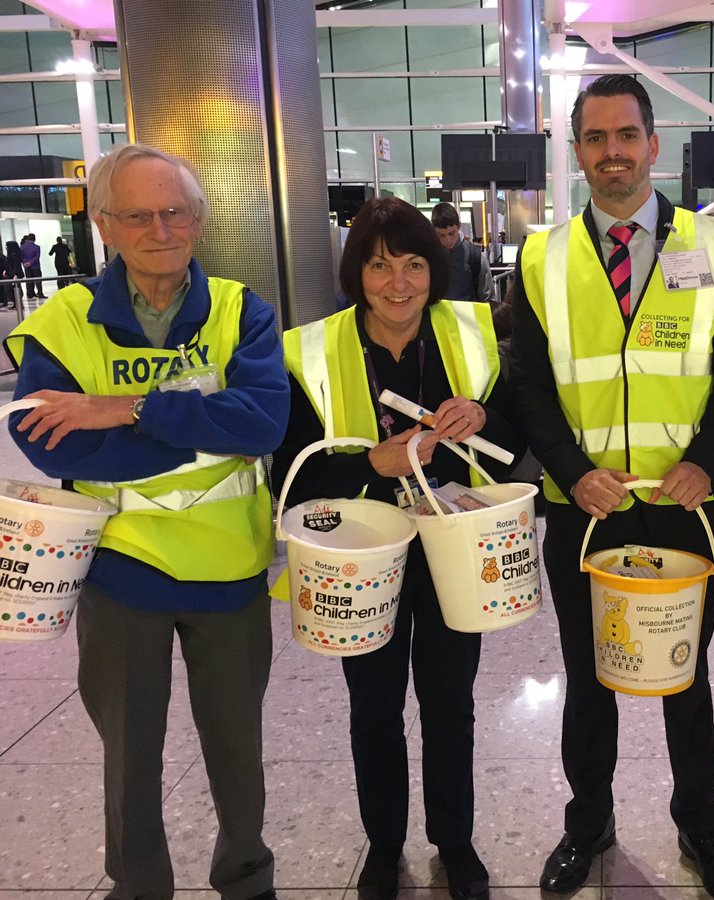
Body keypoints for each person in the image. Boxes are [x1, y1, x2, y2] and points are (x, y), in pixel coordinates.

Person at [3, 144, 286, 900]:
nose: (159, 229)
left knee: (237, 746)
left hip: (230, 569)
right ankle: (138, 886)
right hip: (119, 570)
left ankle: (247, 879)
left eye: (173, 212)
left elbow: (263, 422)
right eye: (136, 215)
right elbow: (48, 438)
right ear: (103, 223)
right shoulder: (66, 321)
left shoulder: (241, 311)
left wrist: (123, 408)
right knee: (128, 752)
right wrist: (202, 429)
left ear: (198, 219)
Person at [509, 74, 714, 900]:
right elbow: (529, 383)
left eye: (627, 135)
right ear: (578, 151)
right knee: (588, 677)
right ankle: (589, 823)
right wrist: (571, 472)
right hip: (585, 508)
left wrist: (707, 460)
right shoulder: (542, 258)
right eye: (596, 138)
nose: (612, 152)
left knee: (684, 677)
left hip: (683, 504)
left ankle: (701, 826)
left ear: (654, 145)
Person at [270, 197, 522, 900]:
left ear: (435, 269)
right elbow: (288, 475)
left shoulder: (470, 335)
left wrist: (483, 416)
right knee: (374, 707)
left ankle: (455, 842)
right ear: (357, 273)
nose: (399, 283)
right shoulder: (311, 351)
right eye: (380, 267)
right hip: (362, 557)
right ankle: (383, 846)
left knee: (451, 703)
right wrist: (370, 466)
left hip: (454, 549)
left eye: (414, 264)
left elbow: (517, 442)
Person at [431, 202, 497, 304]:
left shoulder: (475, 256)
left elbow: (488, 300)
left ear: (459, 226)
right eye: (441, 235)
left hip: (469, 313)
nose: (448, 240)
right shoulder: (429, 257)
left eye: (451, 234)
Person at [20, 232, 46, 298]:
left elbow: (21, 256)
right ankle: (40, 293)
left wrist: (24, 263)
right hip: (35, 266)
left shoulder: (22, 247)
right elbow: (37, 257)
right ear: (34, 239)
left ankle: (30, 294)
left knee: (29, 281)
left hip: (26, 267)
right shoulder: (37, 247)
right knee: (38, 281)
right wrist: (30, 263)